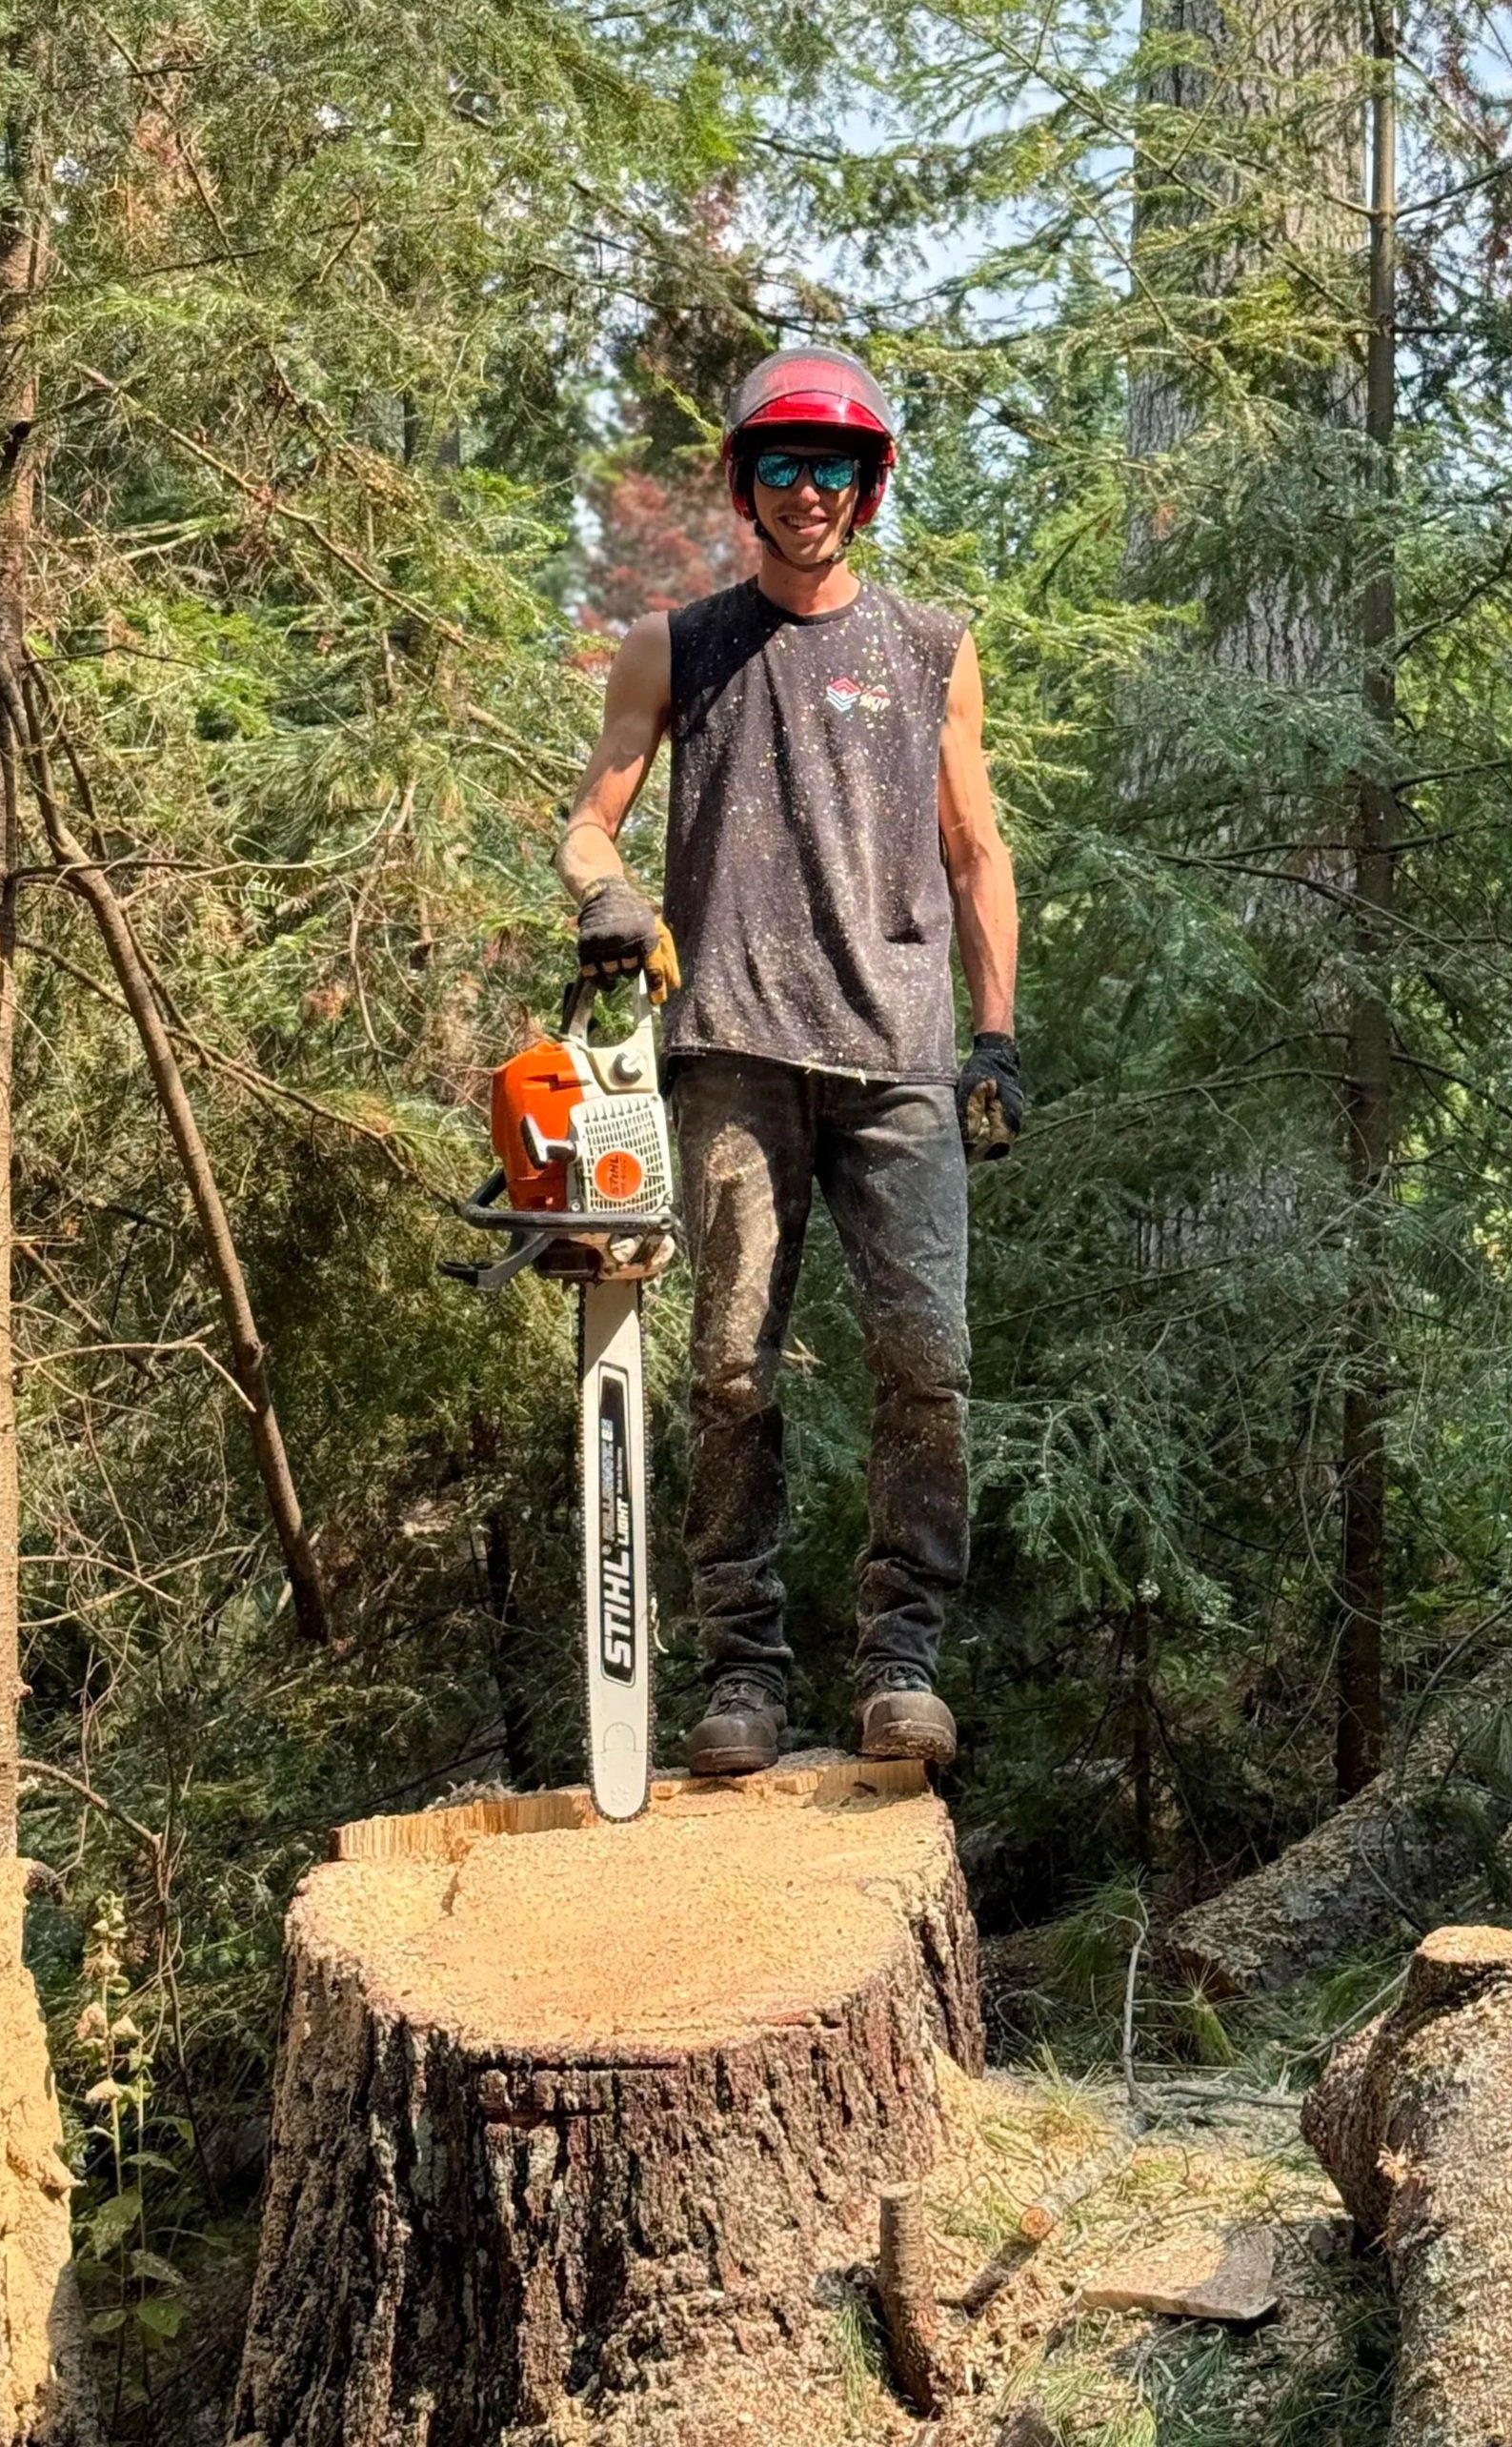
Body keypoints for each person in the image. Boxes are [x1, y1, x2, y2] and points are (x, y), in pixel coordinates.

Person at [556, 343, 1021, 1774]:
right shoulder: (676, 646)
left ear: (867, 489)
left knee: (924, 1365)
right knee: (735, 1366)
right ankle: (742, 1673)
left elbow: (976, 846)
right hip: (734, 1052)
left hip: (899, 1058)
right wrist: (610, 899)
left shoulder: (933, 648)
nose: (807, 491)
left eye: (833, 468)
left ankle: (901, 1664)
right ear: (746, 484)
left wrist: (995, 1037)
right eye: (782, 466)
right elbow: (589, 824)